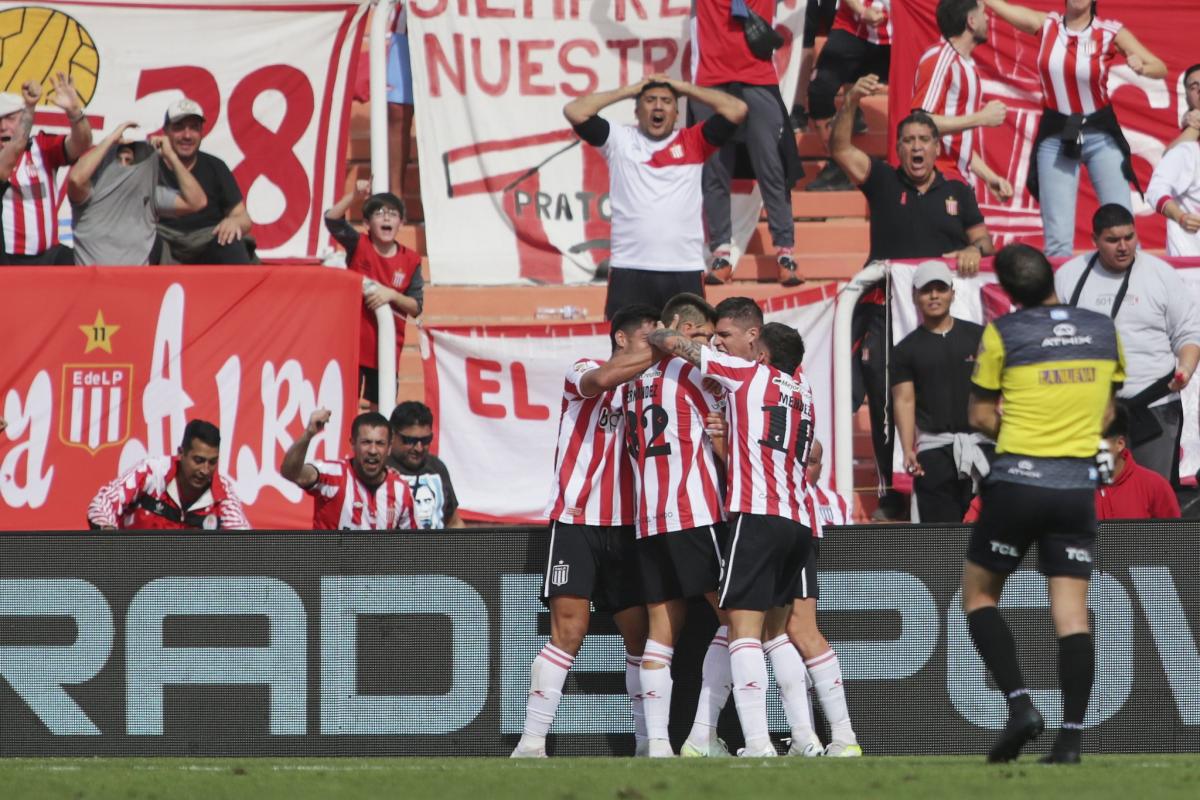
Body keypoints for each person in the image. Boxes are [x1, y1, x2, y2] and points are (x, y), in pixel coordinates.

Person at [965, 243, 1125, 764]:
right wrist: (1070, 435)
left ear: (1007, 293)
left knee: (980, 597)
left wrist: (1028, 432)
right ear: (1054, 275)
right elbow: (1107, 411)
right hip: (1076, 487)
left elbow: (980, 414)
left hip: (1017, 481)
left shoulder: (1003, 332)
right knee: (1073, 615)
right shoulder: (1103, 330)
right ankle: (1071, 740)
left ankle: (1020, 707)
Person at [649, 315, 817, 758]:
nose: (719, 345)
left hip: (757, 515)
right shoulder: (803, 393)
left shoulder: (746, 374)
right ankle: (806, 737)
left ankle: (759, 743)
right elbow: (811, 450)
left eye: (725, 336)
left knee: (743, 630)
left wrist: (660, 331)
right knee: (777, 633)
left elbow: (674, 344)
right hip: (800, 521)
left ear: (758, 349)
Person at [834, 73, 995, 519]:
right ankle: (893, 496)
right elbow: (841, 149)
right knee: (886, 398)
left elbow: (985, 245)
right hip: (887, 313)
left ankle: (964, 487)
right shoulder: (882, 180)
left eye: (925, 138)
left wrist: (970, 248)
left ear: (937, 147)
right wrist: (849, 102)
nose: (917, 147)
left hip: (949, 318)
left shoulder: (958, 192)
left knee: (951, 398)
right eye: (908, 140)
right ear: (899, 148)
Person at [511, 305, 660, 758]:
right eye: (650, 338)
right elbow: (600, 382)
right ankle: (532, 743)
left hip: (630, 526)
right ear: (621, 339)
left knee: (639, 638)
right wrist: (665, 349)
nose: (659, 345)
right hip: (577, 522)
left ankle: (646, 743)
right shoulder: (583, 370)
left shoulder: (654, 389)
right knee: (568, 632)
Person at [621, 293, 725, 758]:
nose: (705, 346)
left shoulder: (632, 383)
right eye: (701, 336)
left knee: (661, 632)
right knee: (740, 620)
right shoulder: (694, 372)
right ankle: (706, 735)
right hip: (693, 510)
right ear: (683, 327)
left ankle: (658, 743)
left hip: (648, 517)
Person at [984, 0, 1166, 256]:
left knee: (1121, 225)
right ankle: (1062, 295)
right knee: (1057, 240)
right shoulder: (1046, 25)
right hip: (1057, 134)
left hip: (1100, 135)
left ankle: (1133, 290)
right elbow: (1005, 10)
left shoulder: (1110, 31)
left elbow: (1160, 67)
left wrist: (1142, 67)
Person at [563, 76, 747, 315]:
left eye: (667, 101)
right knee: (627, 349)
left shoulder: (693, 141)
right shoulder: (619, 140)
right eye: (650, 100)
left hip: (684, 268)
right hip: (630, 268)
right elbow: (574, 111)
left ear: (677, 113)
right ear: (637, 110)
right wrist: (630, 90)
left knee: (686, 349)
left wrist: (683, 88)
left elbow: (737, 110)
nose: (658, 106)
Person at [1054, 204, 1200, 486]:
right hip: (1091, 409)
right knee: (1098, 500)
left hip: (1155, 404)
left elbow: (1189, 332)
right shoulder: (1069, 275)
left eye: (1129, 237)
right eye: (1112, 240)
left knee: (1153, 500)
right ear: (1094, 240)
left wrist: (1186, 368)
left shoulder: (1160, 273)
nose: (1123, 246)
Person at [690, 1, 804, 286]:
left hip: (757, 79)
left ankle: (785, 254)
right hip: (711, 81)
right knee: (714, 170)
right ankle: (721, 253)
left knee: (771, 167)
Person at [891, 260, 990, 522]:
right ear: (914, 296)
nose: (934, 296)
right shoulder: (905, 350)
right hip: (934, 453)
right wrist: (908, 448)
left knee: (992, 536)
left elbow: (1000, 389)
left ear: (952, 292)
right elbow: (904, 399)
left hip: (983, 448)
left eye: (940, 288)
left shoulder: (980, 337)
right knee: (939, 540)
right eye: (926, 290)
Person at [325, 179, 423, 409]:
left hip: (386, 348)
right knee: (344, 406)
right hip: (351, 345)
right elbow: (331, 220)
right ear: (367, 223)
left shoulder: (411, 261)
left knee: (381, 408)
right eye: (379, 213)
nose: (387, 218)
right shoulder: (359, 244)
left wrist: (392, 295)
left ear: (402, 222)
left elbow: (416, 306)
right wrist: (354, 196)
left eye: (392, 214)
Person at [910, 0, 1013, 200]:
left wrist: (990, 177)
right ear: (971, 21)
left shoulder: (965, 65)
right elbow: (920, 123)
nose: (988, 18)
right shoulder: (940, 59)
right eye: (984, 13)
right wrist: (981, 118)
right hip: (937, 181)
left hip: (957, 181)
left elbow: (954, 141)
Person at [68, 122, 207, 266]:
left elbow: (197, 202)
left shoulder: (151, 196)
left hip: (136, 284)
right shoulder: (89, 194)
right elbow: (75, 179)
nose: (123, 165)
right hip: (94, 285)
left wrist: (171, 156)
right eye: (118, 159)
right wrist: (110, 140)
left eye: (128, 160)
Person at [86, 420, 249, 530]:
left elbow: (243, 539)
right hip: (132, 567)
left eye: (212, 462)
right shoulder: (152, 473)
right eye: (198, 460)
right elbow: (103, 502)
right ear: (181, 453)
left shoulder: (223, 495)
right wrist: (108, 533)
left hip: (187, 578)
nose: (205, 470)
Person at [0, 74, 92, 265]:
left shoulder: (42, 147)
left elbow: (82, 144)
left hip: (50, 257)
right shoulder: (5, 160)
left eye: (9, 118)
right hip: (7, 260)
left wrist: (75, 113)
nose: (2, 126)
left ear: (21, 117)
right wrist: (31, 107)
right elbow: (15, 148)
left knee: (81, 263)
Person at [154, 98, 254, 264]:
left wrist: (233, 222)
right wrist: (170, 156)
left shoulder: (216, 166)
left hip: (206, 240)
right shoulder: (149, 166)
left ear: (202, 133)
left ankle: (240, 290)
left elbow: (243, 218)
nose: (187, 135)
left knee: (232, 242)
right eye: (179, 128)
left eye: (194, 128)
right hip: (164, 239)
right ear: (166, 131)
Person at [806, 0, 891, 193]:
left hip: (899, 33)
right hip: (852, 25)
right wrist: (861, 10)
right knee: (819, 91)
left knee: (919, 93)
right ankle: (838, 162)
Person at [281, 409, 416, 530]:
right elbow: (292, 473)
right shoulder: (333, 476)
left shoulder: (401, 490)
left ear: (389, 448)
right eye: (366, 442)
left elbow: (415, 546)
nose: (373, 450)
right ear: (352, 443)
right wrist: (308, 434)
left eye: (380, 443)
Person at [1148, 65, 1200, 256]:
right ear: (1186, 96)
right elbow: (1156, 190)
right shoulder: (1186, 149)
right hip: (1192, 268)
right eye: (1194, 86)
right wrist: (1181, 217)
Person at [387, 400, 463, 529]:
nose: (419, 448)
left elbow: (454, 522)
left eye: (425, 440)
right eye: (410, 440)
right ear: (392, 436)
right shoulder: (380, 470)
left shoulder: (437, 467)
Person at [385, 2, 414, 197]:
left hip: (453, 23)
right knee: (397, 109)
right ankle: (395, 197)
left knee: (446, 109)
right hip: (405, 24)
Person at [1166, 63, 1200, 152]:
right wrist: (1195, 125)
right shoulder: (1182, 134)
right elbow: (1171, 159)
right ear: (1188, 99)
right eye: (1194, 87)